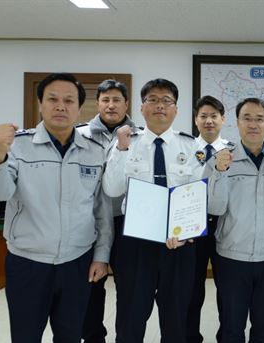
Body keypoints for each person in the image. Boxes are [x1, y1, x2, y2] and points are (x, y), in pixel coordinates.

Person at [0, 72, 112, 342]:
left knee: (71, 335)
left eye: (69, 100)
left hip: (77, 262)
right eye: (52, 99)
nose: (60, 106)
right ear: (40, 104)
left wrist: (102, 255)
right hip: (28, 263)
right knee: (26, 336)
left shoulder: (95, 151)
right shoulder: (18, 146)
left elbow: (101, 209)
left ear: (78, 107)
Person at [102, 78, 202, 342]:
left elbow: (196, 196)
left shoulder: (191, 146)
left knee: (176, 316)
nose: (160, 105)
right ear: (142, 107)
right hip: (136, 243)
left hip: (178, 244)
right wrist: (121, 150)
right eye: (153, 100)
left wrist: (186, 231)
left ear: (176, 109)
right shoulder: (125, 142)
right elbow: (112, 190)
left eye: (167, 100)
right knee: (130, 316)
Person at [204, 97, 264, 343]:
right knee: (231, 327)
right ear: (237, 122)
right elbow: (214, 208)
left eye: (260, 119)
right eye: (247, 118)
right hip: (231, 257)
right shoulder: (221, 159)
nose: (253, 124)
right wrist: (220, 171)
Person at [78, 79, 137, 343]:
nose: (111, 105)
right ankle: (93, 338)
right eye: (105, 100)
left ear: (126, 103)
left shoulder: (143, 137)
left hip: (129, 222)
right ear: (98, 103)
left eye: (116, 100)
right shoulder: (80, 135)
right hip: (90, 223)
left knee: (130, 289)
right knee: (91, 287)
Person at [187, 95, 230, 343]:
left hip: (225, 227)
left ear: (223, 119)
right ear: (196, 120)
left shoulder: (233, 150)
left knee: (227, 289)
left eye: (214, 116)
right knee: (192, 289)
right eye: (203, 116)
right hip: (193, 229)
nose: (209, 121)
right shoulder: (185, 150)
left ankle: (227, 335)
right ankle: (190, 336)